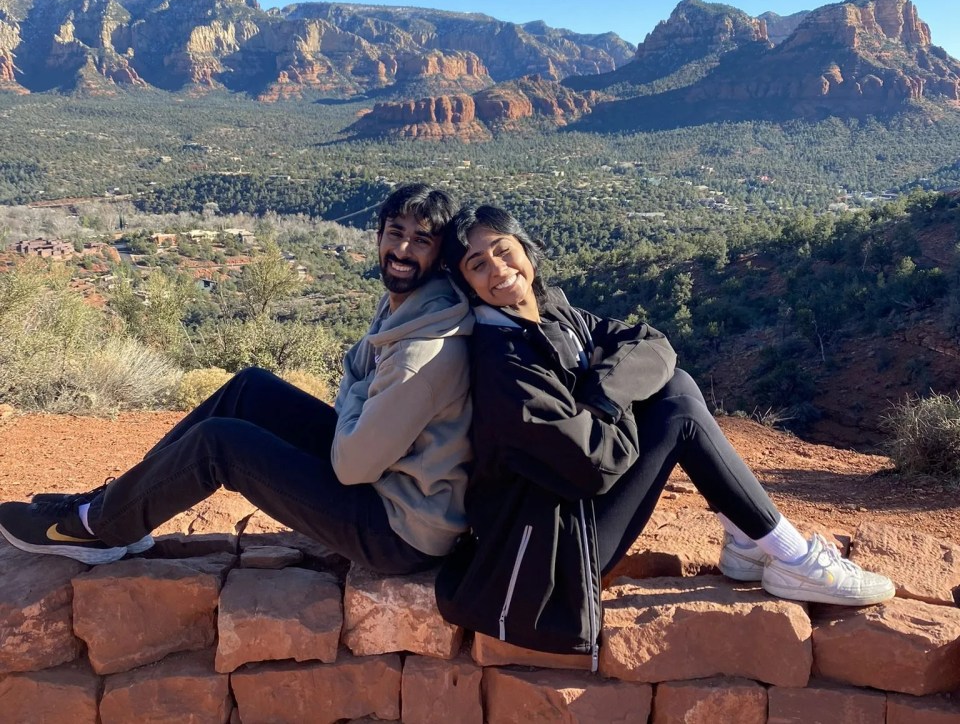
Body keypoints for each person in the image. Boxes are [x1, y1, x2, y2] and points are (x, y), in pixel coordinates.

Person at [434, 204, 895, 668]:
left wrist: (605, 397)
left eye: (503, 250)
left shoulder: (553, 311)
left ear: (525, 249)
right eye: (478, 265)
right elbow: (591, 466)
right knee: (678, 414)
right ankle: (791, 558)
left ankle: (746, 541)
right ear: (466, 283)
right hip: (547, 553)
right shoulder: (504, 363)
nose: (498, 269)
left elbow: (653, 344)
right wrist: (622, 404)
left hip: (570, 514)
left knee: (677, 386)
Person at [0, 183, 474, 574]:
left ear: (441, 256)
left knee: (220, 444)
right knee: (249, 387)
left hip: (397, 530)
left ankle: (97, 529)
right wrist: (358, 399)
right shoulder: (408, 304)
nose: (403, 250)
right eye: (396, 232)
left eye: (422, 240)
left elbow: (351, 466)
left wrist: (355, 395)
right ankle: (124, 501)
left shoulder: (422, 350)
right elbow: (357, 387)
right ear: (378, 236)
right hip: (382, 478)